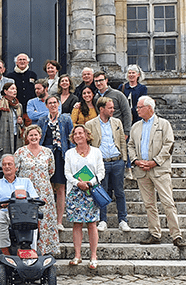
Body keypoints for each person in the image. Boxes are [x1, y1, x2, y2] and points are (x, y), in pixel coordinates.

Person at [128, 96, 186, 248]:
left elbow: (169, 144)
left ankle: (176, 235)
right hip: (142, 170)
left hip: (159, 170)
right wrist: (135, 160)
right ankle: (155, 233)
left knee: (168, 202)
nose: (137, 109)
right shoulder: (135, 126)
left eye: (140, 107)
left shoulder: (163, 124)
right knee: (149, 204)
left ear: (149, 108)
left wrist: (155, 161)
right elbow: (130, 145)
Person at [86, 97, 130, 233]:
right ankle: (102, 220)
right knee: (101, 192)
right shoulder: (90, 124)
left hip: (117, 161)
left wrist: (123, 159)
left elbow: (122, 140)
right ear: (101, 109)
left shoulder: (117, 122)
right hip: (101, 163)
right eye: (110, 108)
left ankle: (123, 220)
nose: (113, 110)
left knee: (119, 192)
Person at [64, 124, 105, 269]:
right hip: (75, 192)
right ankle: (77, 255)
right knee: (77, 223)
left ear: (87, 135)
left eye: (81, 133)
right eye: (75, 134)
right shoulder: (69, 153)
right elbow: (67, 173)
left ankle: (93, 256)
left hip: (90, 191)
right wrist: (77, 183)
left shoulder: (96, 152)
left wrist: (90, 182)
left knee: (92, 223)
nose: (78, 136)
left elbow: (101, 172)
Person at [15, 125, 59, 256]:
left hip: (44, 192)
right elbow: (15, 170)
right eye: (31, 135)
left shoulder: (47, 152)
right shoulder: (20, 152)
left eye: (36, 135)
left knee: (45, 220)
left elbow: (51, 170)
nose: (33, 137)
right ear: (26, 137)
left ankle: (45, 249)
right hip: (26, 192)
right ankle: (27, 248)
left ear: (40, 136)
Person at [0, 154, 38, 254]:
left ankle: (31, 250)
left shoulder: (26, 182)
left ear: (16, 167)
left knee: (33, 217)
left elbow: (35, 200)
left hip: (23, 213)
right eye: (4, 164)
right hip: (5, 213)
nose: (7, 166)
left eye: (10, 164)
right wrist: (2, 206)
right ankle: (5, 251)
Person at [36, 96, 73, 233]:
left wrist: (71, 156)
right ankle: (46, 219)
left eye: (54, 103)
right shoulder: (42, 120)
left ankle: (59, 221)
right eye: (50, 103)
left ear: (58, 104)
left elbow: (71, 138)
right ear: (46, 106)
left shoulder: (65, 119)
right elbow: (39, 139)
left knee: (61, 188)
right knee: (47, 188)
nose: (52, 105)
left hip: (61, 155)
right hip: (46, 156)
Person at [0, 81, 23, 155]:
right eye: (12, 89)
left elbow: (22, 124)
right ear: (5, 91)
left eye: (15, 89)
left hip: (16, 135)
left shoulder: (18, 105)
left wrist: (21, 122)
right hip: (4, 136)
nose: (15, 91)